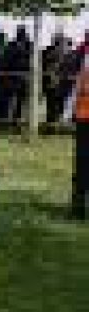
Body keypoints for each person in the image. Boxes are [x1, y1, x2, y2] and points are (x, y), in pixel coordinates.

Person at [67, 51, 89, 220]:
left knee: (81, 166)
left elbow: (78, 87)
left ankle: (78, 207)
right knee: (81, 166)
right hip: (84, 117)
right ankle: (78, 207)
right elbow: (78, 87)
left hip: (83, 117)